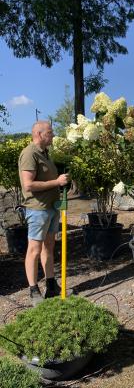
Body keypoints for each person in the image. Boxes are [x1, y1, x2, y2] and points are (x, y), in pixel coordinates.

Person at [18, 121, 69, 306]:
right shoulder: (29, 154)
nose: (53, 135)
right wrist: (57, 182)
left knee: (49, 246)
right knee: (34, 249)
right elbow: (28, 185)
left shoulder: (45, 153)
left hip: (52, 208)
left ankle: (51, 285)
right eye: (50, 132)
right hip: (38, 209)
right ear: (39, 134)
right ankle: (33, 291)